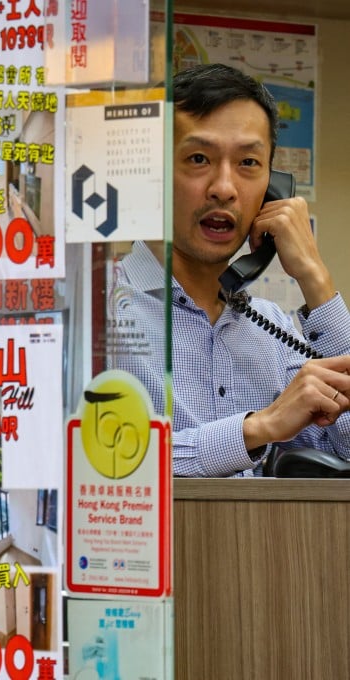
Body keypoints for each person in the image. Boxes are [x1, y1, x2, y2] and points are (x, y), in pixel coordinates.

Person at [112, 63, 350, 477]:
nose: (224, 187)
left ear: (273, 188)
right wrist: (256, 429)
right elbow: (98, 462)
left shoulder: (272, 330)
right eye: (199, 158)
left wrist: (315, 278)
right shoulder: (95, 311)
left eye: (248, 163)